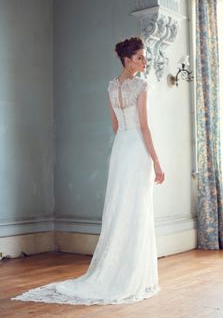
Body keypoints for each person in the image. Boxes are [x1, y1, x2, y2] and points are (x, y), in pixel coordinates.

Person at [12, 36, 165, 305]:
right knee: (137, 208)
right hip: (137, 149)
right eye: (140, 57)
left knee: (120, 208)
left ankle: (117, 270)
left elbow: (116, 127)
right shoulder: (141, 85)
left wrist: (126, 148)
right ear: (127, 61)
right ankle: (132, 275)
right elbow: (144, 127)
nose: (144, 61)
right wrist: (157, 162)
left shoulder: (111, 87)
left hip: (120, 150)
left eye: (144, 56)